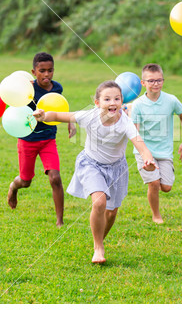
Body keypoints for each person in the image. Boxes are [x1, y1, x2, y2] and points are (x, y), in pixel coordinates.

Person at [33, 80, 156, 264]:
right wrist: (44, 116)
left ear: (122, 101)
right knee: (99, 202)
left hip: (116, 169)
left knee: (111, 212)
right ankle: (98, 247)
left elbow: (140, 144)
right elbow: (59, 115)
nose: (112, 102)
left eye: (116, 98)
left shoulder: (125, 123)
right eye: (107, 99)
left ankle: (99, 239)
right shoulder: (89, 116)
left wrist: (148, 158)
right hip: (91, 165)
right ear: (97, 102)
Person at [7, 52, 76, 227]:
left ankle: (59, 221)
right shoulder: (27, 90)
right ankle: (13, 188)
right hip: (27, 140)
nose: (47, 74)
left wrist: (71, 122)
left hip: (48, 139)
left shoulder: (57, 88)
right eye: (42, 71)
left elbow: (59, 107)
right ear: (33, 71)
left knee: (55, 178)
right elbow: (15, 108)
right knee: (25, 181)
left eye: (50, 70)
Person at [131, 63, 182, 224]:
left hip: (164, 151)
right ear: (143, 83)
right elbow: (133, 132)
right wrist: (144, 152)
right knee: (154, 183)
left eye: (159, 80)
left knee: (166, 187)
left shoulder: (171, 100)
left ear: (163, 81)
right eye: (151, 81)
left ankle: (163, 174)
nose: (155, 84)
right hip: (144, 151)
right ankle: (156, 215)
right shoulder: (138, 105)